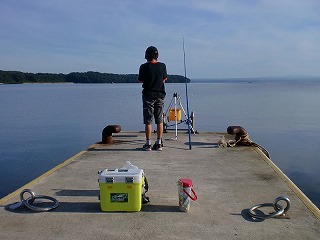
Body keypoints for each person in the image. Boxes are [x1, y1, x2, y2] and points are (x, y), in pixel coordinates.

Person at [138, 46, 168, 151]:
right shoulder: (162, 66)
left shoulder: (143, 67)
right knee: (159, 120)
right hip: (160, 96)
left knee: (148, 120)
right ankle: (159, 143)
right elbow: (164, 79)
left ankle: (148, 144)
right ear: (157, 55)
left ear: (146, 55)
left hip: (147, 96)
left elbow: (141, 80)